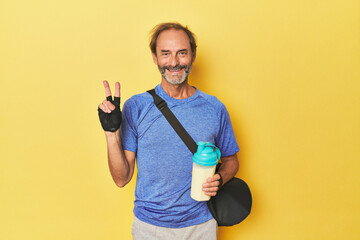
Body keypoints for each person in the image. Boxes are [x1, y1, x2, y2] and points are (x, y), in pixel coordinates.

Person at [98, 22, 239, 240]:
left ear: (192, 55)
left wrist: (219, 178)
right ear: (155, 57)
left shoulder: (215, 108)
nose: (174, 62)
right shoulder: (136, 107)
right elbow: (121, 178)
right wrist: (111, 133)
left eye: (182, 53)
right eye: (165, 54)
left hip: (201, 226)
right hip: (149, 228)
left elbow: (231, 161)